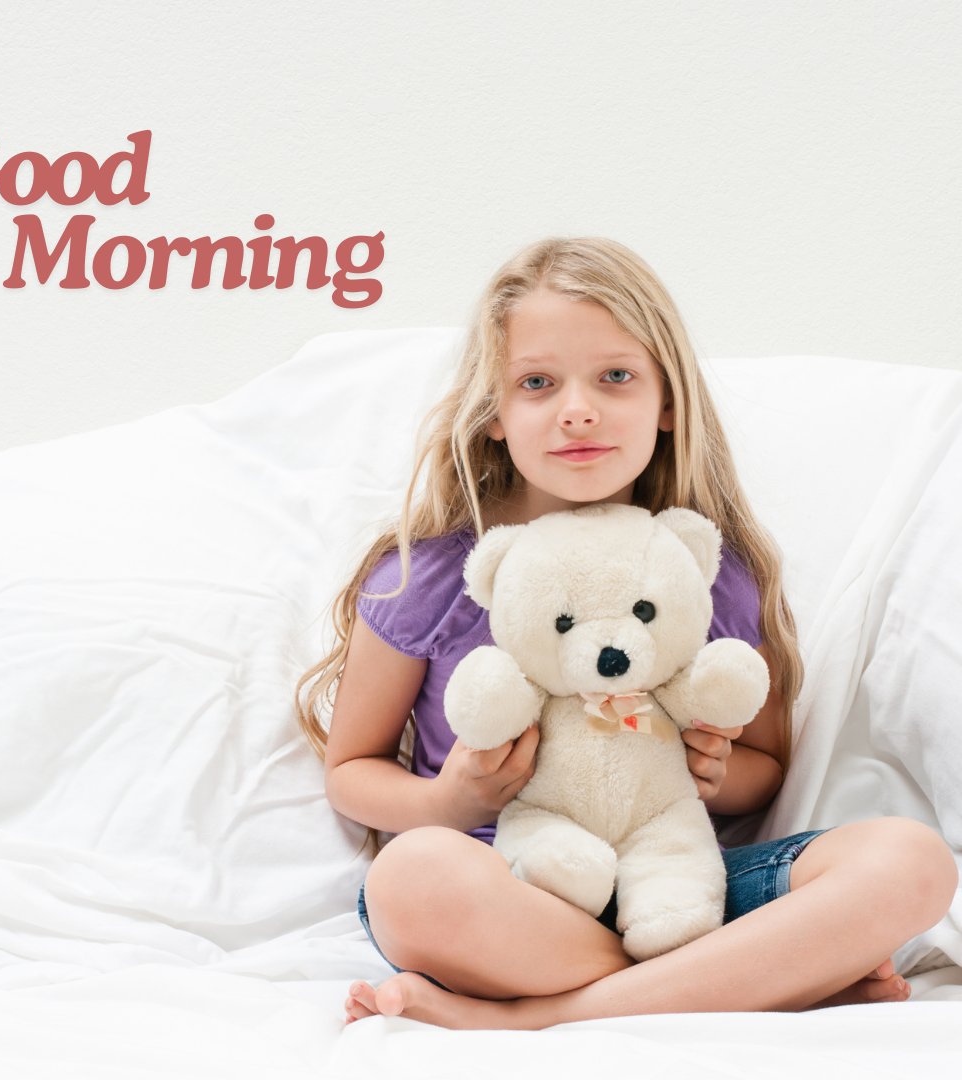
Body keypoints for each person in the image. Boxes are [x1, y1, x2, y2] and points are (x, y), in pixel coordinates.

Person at [295, 237, 957, 1030]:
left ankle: (527, 1019)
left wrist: (716, 772)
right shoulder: (428, 578)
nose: (579, 408)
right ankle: (754, 979)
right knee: (411, 878)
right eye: (537, 383)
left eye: (616, 377)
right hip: (509, 892)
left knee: (910, 861)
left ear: (667, 401)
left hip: (679, 886)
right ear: (495, 416)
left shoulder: (707, 570)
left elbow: (765, 766)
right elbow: (352, 771)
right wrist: (449, 798)